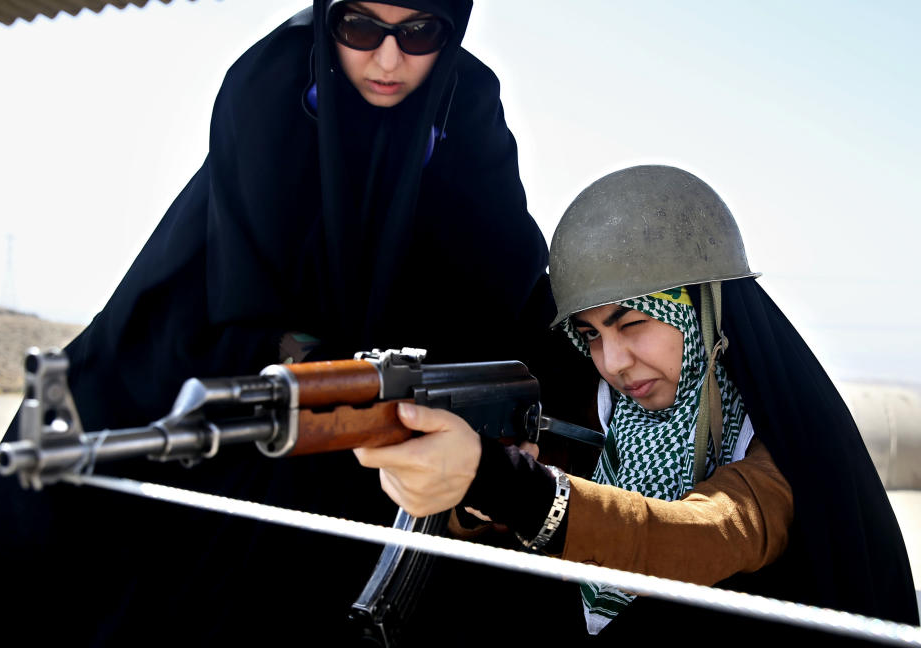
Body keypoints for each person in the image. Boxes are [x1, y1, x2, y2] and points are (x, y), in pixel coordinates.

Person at [0, 2, 596, 645]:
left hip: (418, 411)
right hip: (248, 365)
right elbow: (242, 269)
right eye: (360, 28)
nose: (386, 58)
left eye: (419, 33)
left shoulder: (469, 101)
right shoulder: (272, 81)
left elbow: (501, 277)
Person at [355, 165, 919, 642]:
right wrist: (467, 496)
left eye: (634, 324)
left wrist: (515, 487)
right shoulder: (585, 406)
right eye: (591, 334)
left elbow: (706, 534)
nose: (614, 360)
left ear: (701, 313)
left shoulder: (773, 434)